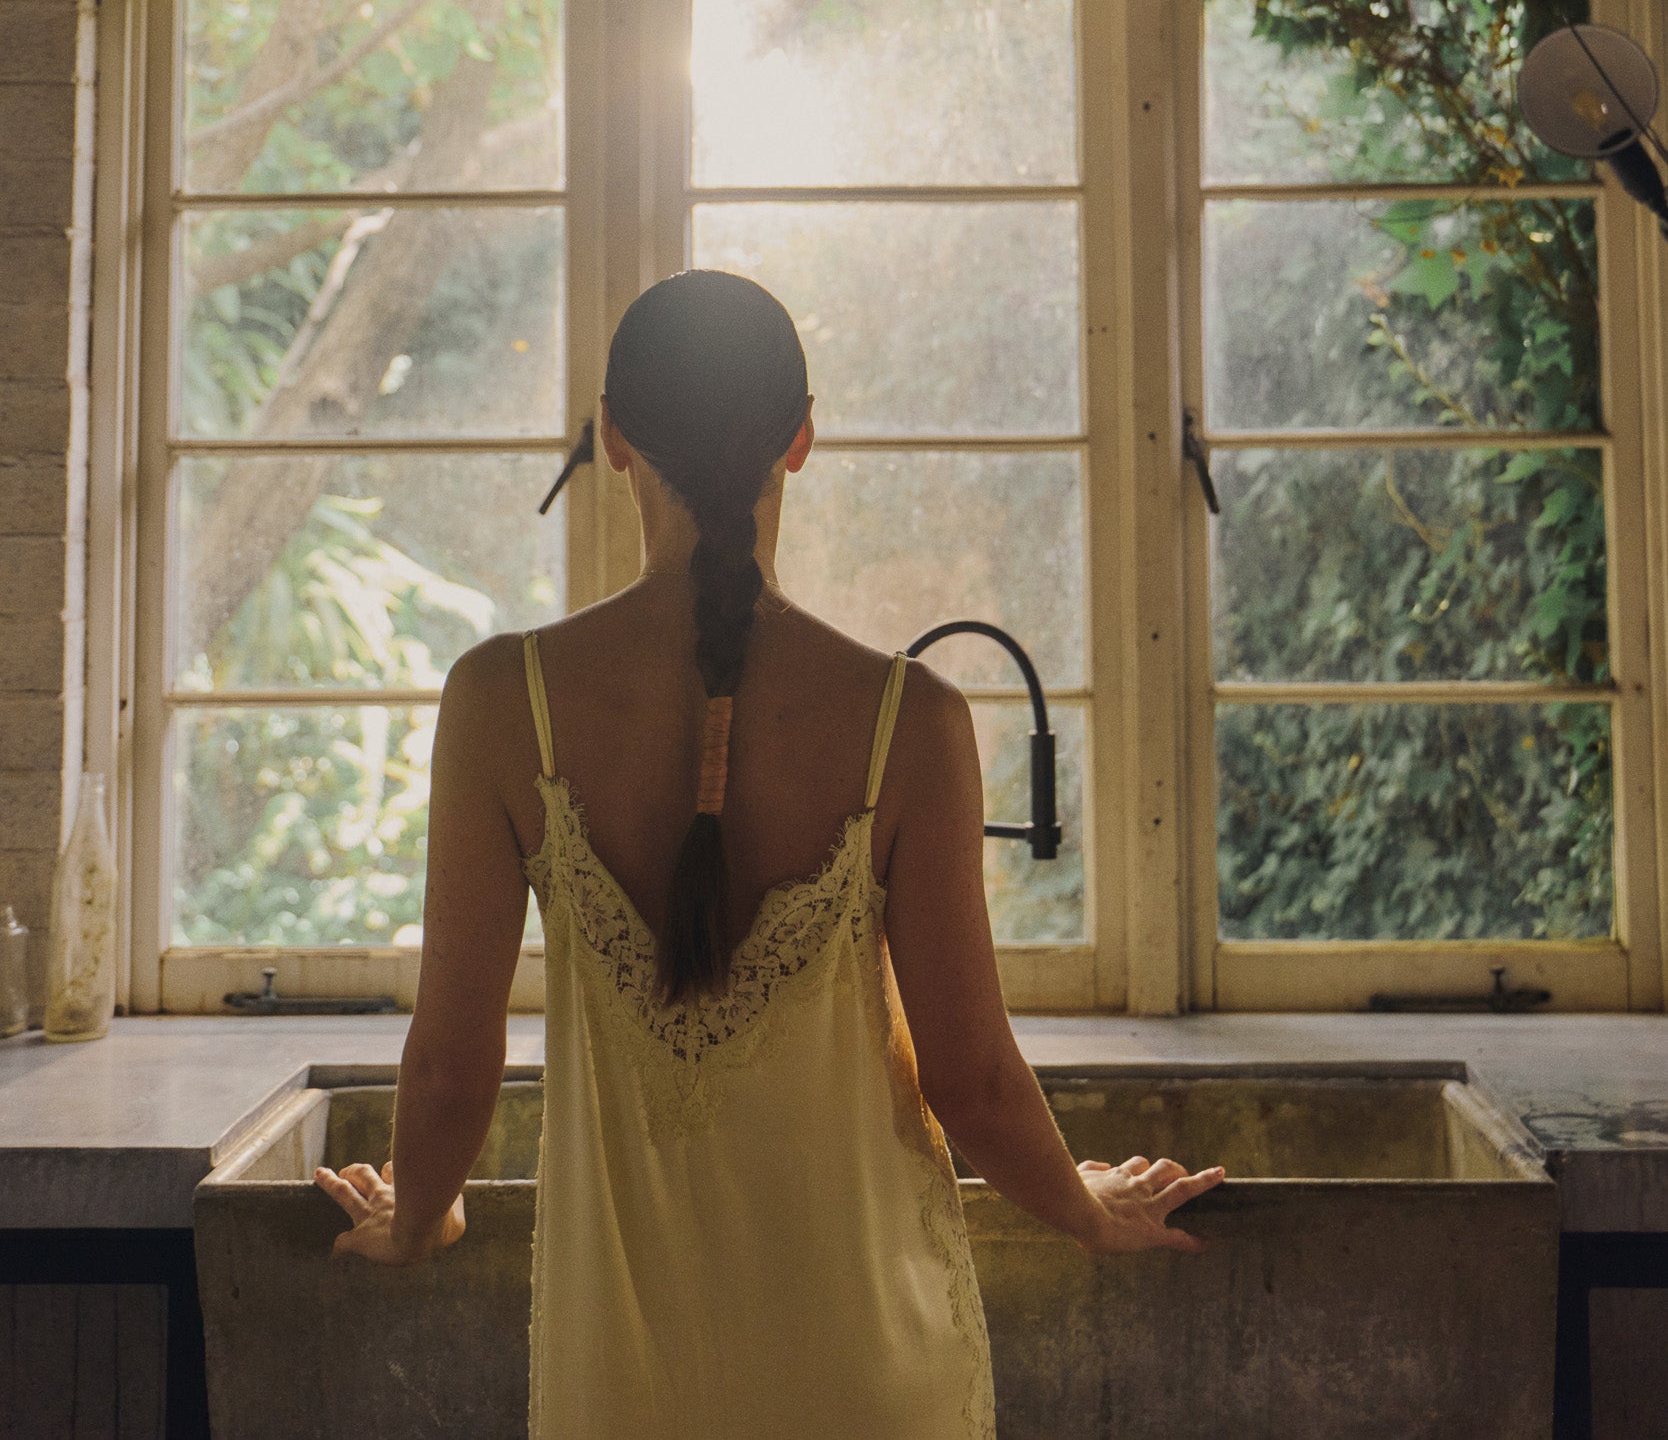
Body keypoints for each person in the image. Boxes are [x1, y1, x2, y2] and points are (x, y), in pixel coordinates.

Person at [318, 269, 1223, 1438]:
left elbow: (449, 1066)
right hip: (869, 1377)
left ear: (613, 435)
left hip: (626, 1391)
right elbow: (973, 1081)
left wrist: (417, 1219)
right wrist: (1088, 1211)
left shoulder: (503, 700)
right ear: (801, 437)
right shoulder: (913, 720)